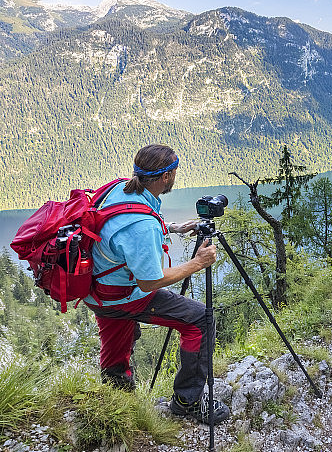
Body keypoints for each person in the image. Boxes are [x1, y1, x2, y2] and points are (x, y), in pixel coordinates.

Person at [84, 144, 230, 424]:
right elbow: (150, 282)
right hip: (125, 296)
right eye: (174, 172)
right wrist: (197, 263)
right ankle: (187, 401)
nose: (175, 177)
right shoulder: (142, 226)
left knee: (116, 347)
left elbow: (126, 219)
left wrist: (171, 227)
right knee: (200, 320)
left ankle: (117, 406)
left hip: (98, 290)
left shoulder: (119, 188)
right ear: (165, 177)